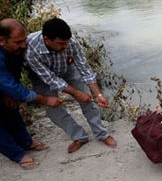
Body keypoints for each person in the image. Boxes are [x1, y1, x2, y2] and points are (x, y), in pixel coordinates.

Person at [24, 18, 117, 153]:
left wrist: (98, 94)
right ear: (47, 40)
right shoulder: (31, 49)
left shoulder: (70, 41)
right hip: (42, 77)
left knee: (88, 102)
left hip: (67, 68)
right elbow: (50, 79)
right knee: (52, 110)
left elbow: (85, 69)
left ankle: (102, 134)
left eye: (67, 42)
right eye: (61, 43)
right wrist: (76, 93)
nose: (66, 46)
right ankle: (79, 137)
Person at [0, 18, 63, 168]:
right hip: (4, 83)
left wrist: (8, 94)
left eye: (24, 40)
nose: (23, 45)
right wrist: (45, 99)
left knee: (11, 111)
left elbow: (8, 79)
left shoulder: (13, 49)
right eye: (18, 42)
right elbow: (7, 83)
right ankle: (17, 154)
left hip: (4, 85)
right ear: (2, 40)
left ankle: (26, 142)